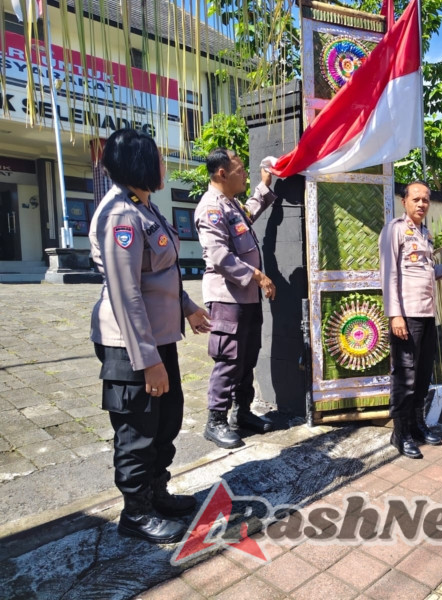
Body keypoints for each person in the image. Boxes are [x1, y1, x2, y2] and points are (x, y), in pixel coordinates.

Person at [90, 128, 211, 544]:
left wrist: (188, 307)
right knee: (138, 430)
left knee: (166, 419)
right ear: (139, 163)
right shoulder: (121, 216)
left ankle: (156, 493)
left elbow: (161, 274)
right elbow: (126, 294)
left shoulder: (146, 207)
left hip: (159, 338)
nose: (164, 167)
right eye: (159, 159)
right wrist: (149, 361)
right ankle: (136, 512)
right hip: (132, 346)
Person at [379, 181, 442, 459]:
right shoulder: (395, 230)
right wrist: (395, 314)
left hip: (427, 314)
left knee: (422, 374)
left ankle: (418, 425)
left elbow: (428, 273)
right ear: (404, 202)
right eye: (416, 199)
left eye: (426, 200)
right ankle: (401, 433)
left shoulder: (424, 234)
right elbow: (389, 274)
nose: (421, 204)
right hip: (406, 316)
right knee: (405, 375)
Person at [195, 148, 278, 449]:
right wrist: (257, 276)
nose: (244, 173)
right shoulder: (211, 208)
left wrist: (264, 185)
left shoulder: (230, 205)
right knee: (229, 360)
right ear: (221, 173)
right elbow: (218, 256)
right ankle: (215, 421)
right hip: (227, 298)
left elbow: (249, 214)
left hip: (246, 298)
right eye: (240, 168)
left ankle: (241, 412)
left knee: (247, 356)